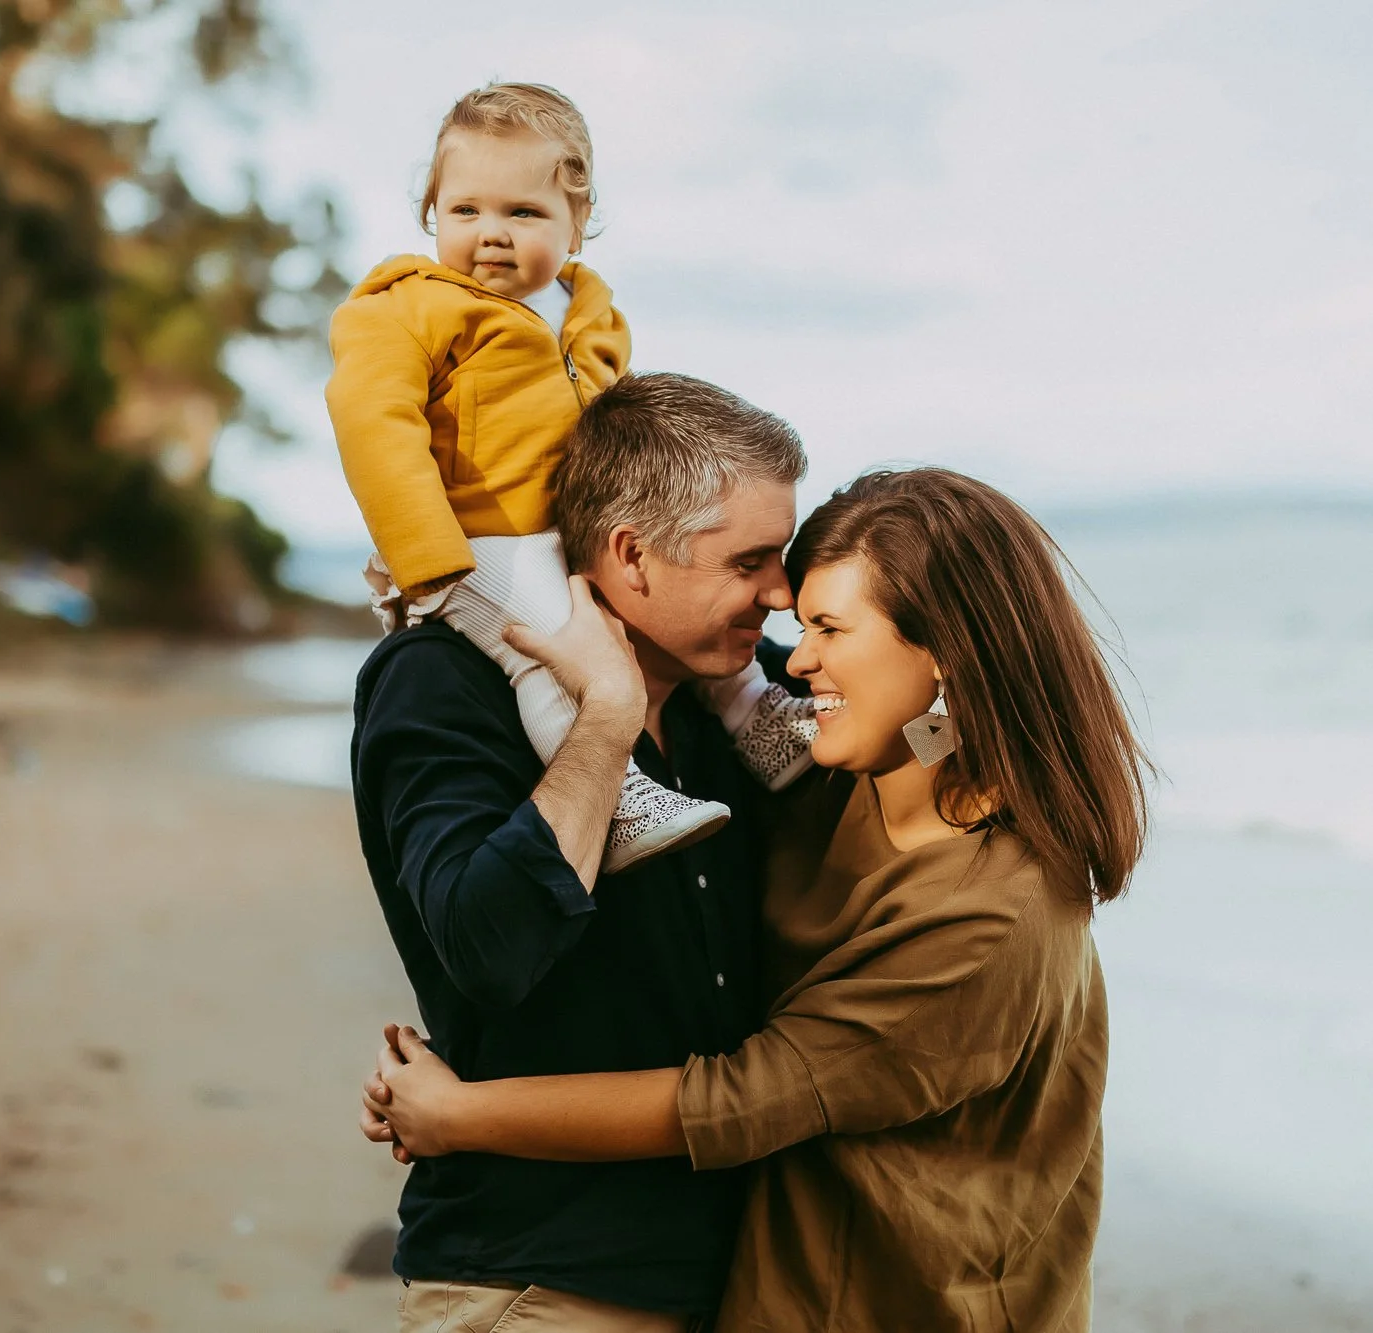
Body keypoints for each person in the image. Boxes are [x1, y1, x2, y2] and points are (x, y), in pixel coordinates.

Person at [363, 468, 1152, 1333]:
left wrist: (460, 1112)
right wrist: (459, 578)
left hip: (912, 1301)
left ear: (945, 652)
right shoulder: (826, 777)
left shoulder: (993, 907)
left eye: (828, 626)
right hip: (743, 1284)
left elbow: (742, 1098)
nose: (796, 652)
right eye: (797, 618)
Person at [350, 371, 811, 1331]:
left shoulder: (745, 699)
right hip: (543, 1281)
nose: (782, 593)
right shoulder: (441, 684)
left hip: (747, 1276)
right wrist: (604, 724)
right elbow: (491, 949)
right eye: (751, 562)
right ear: (632, 554)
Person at [325, 81, 814, 872]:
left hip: (568, 530)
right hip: (477, 541)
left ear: (578, 224)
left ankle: (759, 721)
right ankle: (615, 797)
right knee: (552, 648)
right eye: (466, 211)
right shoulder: (405, 310)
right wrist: (424, 553)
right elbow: (372, 420)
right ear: (431, 213)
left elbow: (631, 432)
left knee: (679, 627)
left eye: (523, 213)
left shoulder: (589, 313)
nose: (491, 235)